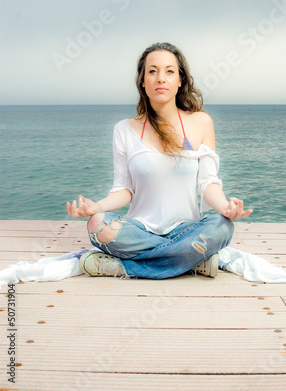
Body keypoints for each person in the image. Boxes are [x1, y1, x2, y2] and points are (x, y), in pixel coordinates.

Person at [66, 42, 253, 279]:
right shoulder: (123, 129)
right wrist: (97, 207)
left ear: (180, 80)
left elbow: (207, 182)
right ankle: (190, 261)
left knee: (222, 226)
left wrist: (226, 207)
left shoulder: (201, 122)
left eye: (169, 71)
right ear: (142, 81)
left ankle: (124, 266)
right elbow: (124, 189)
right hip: (139, 229)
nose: (161, 78)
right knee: (97, 224)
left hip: (186, 228)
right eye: (152, 71)